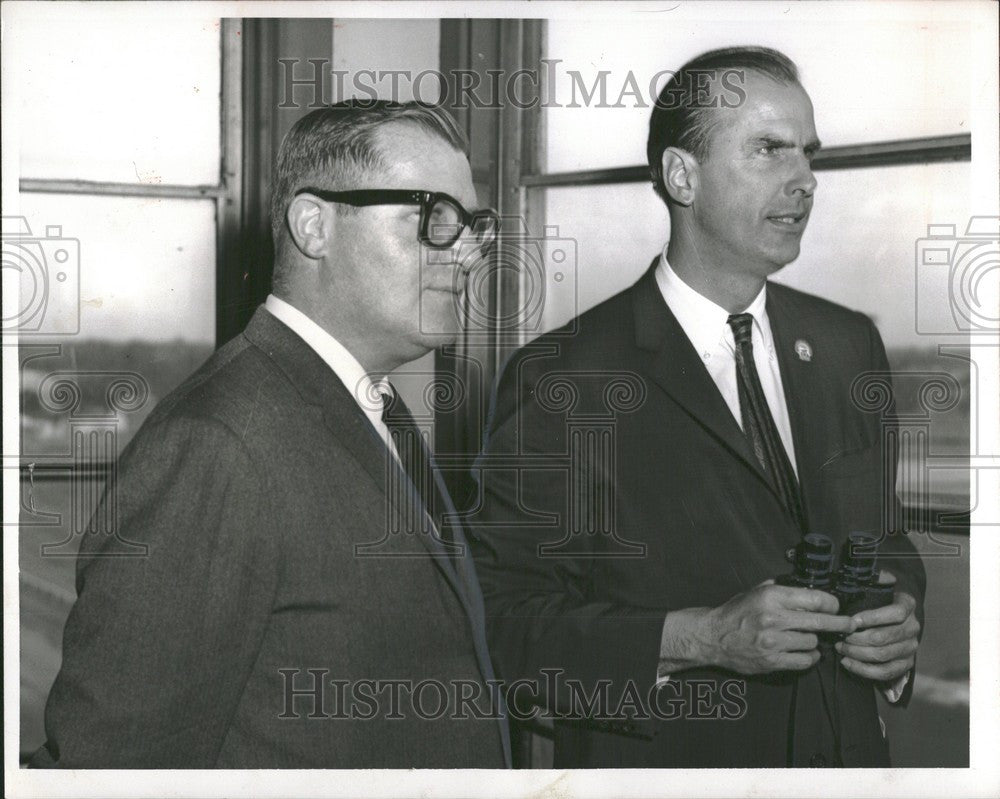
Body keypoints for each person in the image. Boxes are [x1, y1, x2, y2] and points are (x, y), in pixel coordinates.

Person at [467, 47, 925, 767]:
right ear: (683, 175)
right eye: (770, 150)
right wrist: (703, 636)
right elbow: (499, 619)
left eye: (809, 154)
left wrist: (901, 625)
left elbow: (886, 538)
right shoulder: (567, 378)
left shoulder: (848, 344)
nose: (804, 181)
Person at [31, 100, 511, 768]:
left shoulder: (376, 408)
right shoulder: (216, 442)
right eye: (431, 217)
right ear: (314, 225)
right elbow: (116, 763)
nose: (464, 252)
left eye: (471, 226)